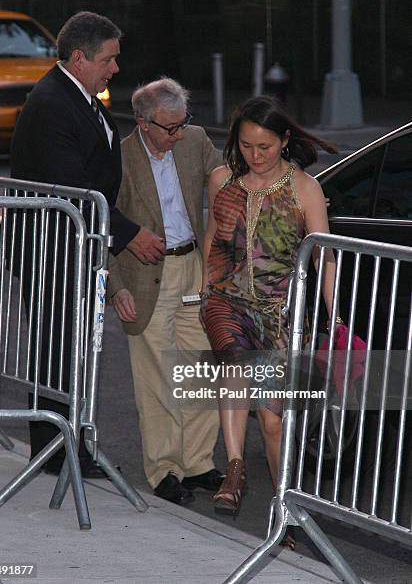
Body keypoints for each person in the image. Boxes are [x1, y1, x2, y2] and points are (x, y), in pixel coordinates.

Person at [9, 12, 165, 478]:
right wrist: (130, 234)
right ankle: (56, 453)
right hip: (51, 246)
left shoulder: (78, 96)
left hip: (72, 243)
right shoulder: (54, 102)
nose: (115, 68)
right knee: (57, 351)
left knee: (71, 350)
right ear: (79, 58)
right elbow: (69, 187)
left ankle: (67, 444)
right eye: (108, 59)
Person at [200, 95, 338, 546]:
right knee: (235, 364)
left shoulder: (305, 188)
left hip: (277, 313)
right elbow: (211, 241)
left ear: (284, 141)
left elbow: (324, 259)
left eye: (264, 146)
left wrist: (335, 316)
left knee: (274, 421)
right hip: (227, 302)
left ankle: (283, 512)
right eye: (245, 146)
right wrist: (206, 290)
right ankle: (235, 468)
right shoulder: (222, 178)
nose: (254, 156)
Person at [108, 78, 223, 505]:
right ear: (143, 123)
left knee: (200, 367)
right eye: (168, 128)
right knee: (157, 376)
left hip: (193, 266)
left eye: (182, 124)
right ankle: (165, 470)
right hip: (143, 274)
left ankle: (198, 463)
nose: (177, 135)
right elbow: (103, 225)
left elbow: (222, 174)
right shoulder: (118, 158)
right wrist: (114, 287)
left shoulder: (193, 140)